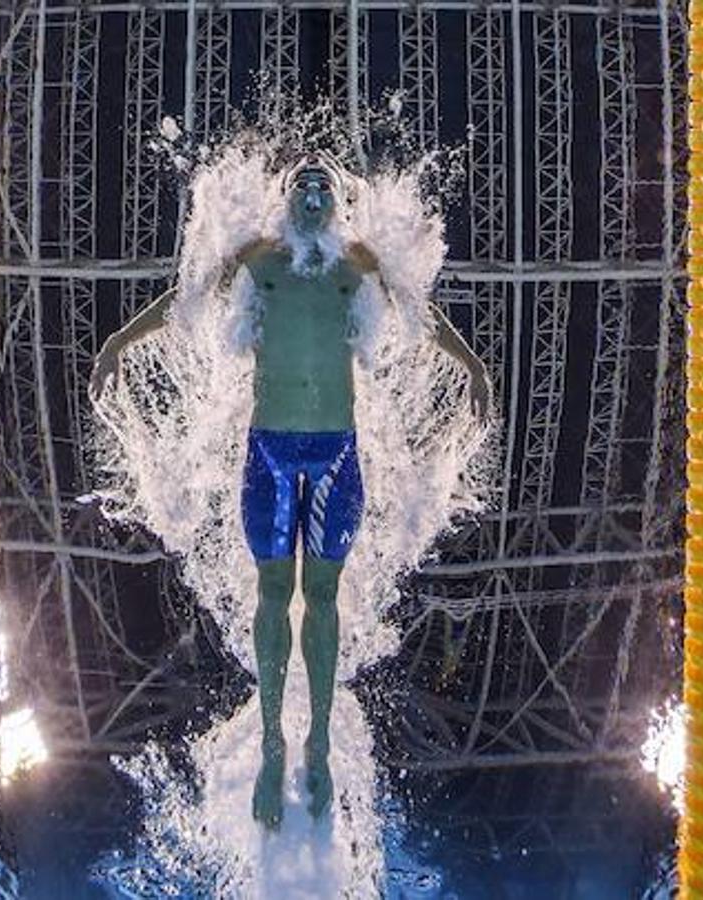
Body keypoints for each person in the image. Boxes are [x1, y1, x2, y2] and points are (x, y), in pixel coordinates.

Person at [90, 161, 491, 827]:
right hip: (269, 453)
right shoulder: (256, 257)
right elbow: (183, 304)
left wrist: (471, 364)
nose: (311, 194)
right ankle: (275, 739)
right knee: (275, 592)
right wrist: (116, 341)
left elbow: (423, 317)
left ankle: (319, 741)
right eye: (301, 187)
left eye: (322, 188)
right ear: (284, 201)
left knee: (324, 595)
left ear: (337, 203)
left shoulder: (357, 262)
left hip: (336, 452)